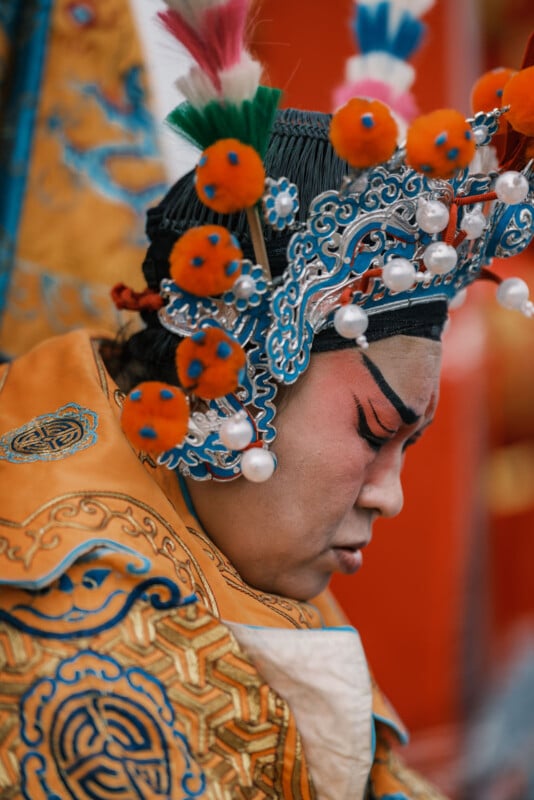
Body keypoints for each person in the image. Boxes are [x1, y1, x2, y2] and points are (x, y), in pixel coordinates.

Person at [1, 5, 533, 800]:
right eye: (373, 428)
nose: (389, 497)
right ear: (238, 373)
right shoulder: (86, 654)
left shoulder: (241, 548)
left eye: (407, 448)